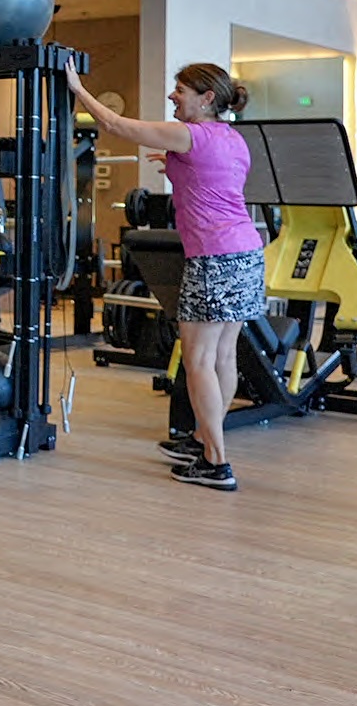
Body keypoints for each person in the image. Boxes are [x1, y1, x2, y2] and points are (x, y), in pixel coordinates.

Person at [67, 60, 260, 491]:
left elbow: (116, 125)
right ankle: (203, 440)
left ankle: (216, 463)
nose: (173, 95)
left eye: (181, 90)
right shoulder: (232, 139)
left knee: (198, 360)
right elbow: (210, 178)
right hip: (245, 252)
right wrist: (173, 164)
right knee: (222, 357)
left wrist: (78, 89)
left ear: (206, 98)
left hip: (213, 257)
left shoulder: (191, 135)